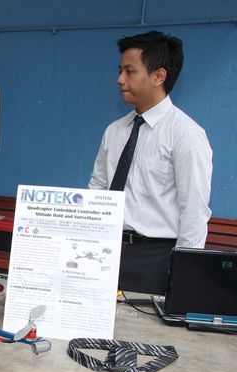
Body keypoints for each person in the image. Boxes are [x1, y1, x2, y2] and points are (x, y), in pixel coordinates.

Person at [89, 30, 213, 296]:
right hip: (104, 251)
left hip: (155, 259)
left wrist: (185, 276)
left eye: (130, 71)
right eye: (120, 70)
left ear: (159, 76)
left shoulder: (186, 135)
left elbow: (194, 212)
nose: (120, 80)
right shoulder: (114, 131)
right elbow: (98, 186)